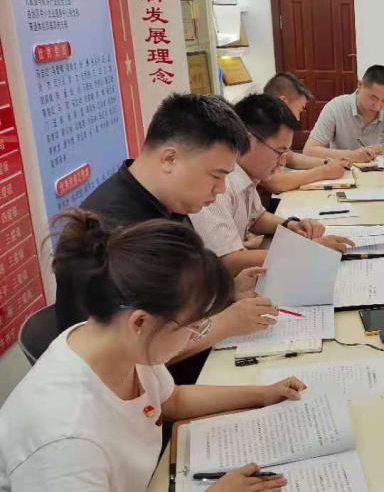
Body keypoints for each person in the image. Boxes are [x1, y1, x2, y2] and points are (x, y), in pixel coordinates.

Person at [0, 210, 305, 492]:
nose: (196, 335)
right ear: (140, 321)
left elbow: (170, 399)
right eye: (193, 325)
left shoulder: (114, 341)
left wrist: (262, 394)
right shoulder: (63, 428)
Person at [54, 93, 281, 380]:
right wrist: (226, 322)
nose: (221, 189)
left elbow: (171, 305)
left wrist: (227, 295)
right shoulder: (116, 231)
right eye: (216, 176)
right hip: (146, 386)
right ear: (169, 159)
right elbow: (139, 349)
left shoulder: (168, 203)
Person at [190, 94, 352, 276]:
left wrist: (290, 225)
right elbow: (228, 261)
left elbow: (255, 217)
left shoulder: (246, 176)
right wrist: (307, 251)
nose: (282, 162)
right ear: (246, 140)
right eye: (279, 152)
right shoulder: (219, 184)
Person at [303, 65, 384, 163]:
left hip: (380, 177)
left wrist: (382, 148)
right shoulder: (336, 108)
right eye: (373, 98)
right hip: (343, 175)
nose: (378, 107)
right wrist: (351, 155)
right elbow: (309, 151)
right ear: (360, 85)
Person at [261, 72, 350, 195]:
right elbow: (276, 183)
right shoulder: (259, 130)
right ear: (283, 102)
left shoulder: (274, 128)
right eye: (299, 110)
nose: (298, 118)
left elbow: (290, 157)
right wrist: (323, 172)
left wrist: (327, 162)